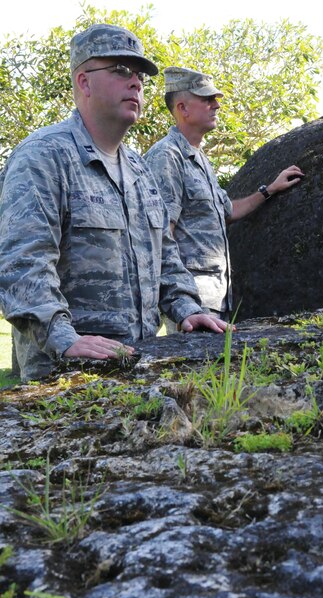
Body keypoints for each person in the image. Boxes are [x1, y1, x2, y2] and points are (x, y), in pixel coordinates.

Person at [0, 24, 229, 382]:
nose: (136, 82)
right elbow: (22, 262)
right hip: (64, 371)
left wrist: (186, 307)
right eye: (121, 70)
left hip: (138, 361)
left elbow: (165, 255)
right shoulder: (43, 157)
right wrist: (63, 338)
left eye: (138, 75)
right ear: (84, 82)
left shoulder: (139, 169)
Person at [144, 66, 304, 323]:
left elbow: (227, 211)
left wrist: (269, 190)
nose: (216, 105)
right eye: (207, 99)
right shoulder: (167, 156)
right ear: (183, 108)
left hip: (218, 299)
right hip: (191, 305)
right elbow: (161, 236)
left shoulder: (201, 159)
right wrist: (181, 303)